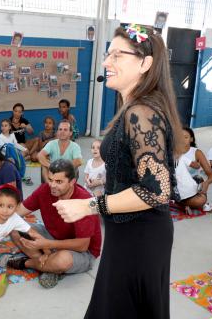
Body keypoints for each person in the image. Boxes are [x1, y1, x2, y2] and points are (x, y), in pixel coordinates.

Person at [54, 24, 185, 318]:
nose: (105, 62)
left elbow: (157, 191)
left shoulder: (142, 112)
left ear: (145, 63)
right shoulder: (133, 108)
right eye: (107, 54)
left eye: (116, 55)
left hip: (140, 235)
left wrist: (89, 205)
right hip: (126, 231)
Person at [0, 159, 101, 288]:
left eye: (59, 182)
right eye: (50, 179)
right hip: (52, 237)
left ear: (72, 182)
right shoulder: (45, 189)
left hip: (82, 253)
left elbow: (82, 246)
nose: (52, 185)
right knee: (14, 227)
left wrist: (46, 244)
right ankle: (48, 265)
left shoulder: (84, 200)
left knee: (63, 260)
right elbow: (17, 213)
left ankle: (26, 263)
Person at [181, 127, 212, 211]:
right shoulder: (171, 152)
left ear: (191, 139)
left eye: (186, 137)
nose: (182, 140)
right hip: (177, 184)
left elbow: (211, 175)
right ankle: (185, 203)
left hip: (194, 185)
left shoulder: (197, 153)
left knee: (200, 201)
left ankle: (182, 203)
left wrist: (206, 183)